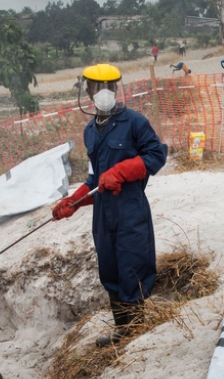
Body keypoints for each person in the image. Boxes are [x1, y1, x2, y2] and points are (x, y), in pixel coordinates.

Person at [51, 64, 168, 347]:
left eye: (109, 87)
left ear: (116, 89)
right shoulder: (90, 131)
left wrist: (123, 171)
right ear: (88, 90)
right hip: (104, 215)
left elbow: (156, 155)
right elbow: (95, 178)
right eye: (97, 87)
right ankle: (122, 330)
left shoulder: (135, 123)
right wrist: (74, 201)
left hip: (130, 211)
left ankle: (137, 333)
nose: (104, 93)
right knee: (110, 269)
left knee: (132, 267)